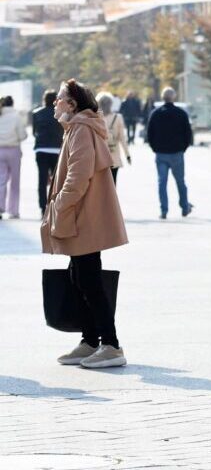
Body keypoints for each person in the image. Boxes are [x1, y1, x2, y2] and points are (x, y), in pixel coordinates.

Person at [41, 79, 129, 369]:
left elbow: (78, 176)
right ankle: (91, 340)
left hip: (83, 216)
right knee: (80, 277)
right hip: (81, 215)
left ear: (72, 104)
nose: (55, 102)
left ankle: (111, 345)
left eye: (60, 98)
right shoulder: (77, 127)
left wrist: (60, 204)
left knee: (89, 280)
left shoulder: (80, 128)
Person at [146, 87, 193, 219]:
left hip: (161, 153)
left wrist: (154, 148)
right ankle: (185, 207)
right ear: (174, 97)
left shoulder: (155, 114)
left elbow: (150, 133)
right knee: (180, 181)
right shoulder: (181, 113)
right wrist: (183, 148)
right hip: (177, 152)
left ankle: (164, 210)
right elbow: (188, 133)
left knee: (162, 182)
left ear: (162, 97)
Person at [32, 90, 63, 216]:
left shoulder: (36, 113)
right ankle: (55, 207)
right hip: (56, 149)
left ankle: (42, 208)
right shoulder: (60, 114)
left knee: (42, 179)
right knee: (57, 181)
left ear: (44, 99)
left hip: (41, 149)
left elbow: (34, 132)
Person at [0, 95, 27, 219]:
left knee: (1, 180)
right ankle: (13, 211)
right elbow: (22, 136)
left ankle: (0, 207)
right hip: (14, 150)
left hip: (0, 150)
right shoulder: (17, 116)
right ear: (12, 104)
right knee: (15, 182)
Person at [97, 93, 131, 184]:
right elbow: (122, 138)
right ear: (111, 104)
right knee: (113, 183)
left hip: (100, 157)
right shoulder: (118, 118)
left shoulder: (96, 118)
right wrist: (127, 155)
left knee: (100, 185)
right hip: (114, 156)